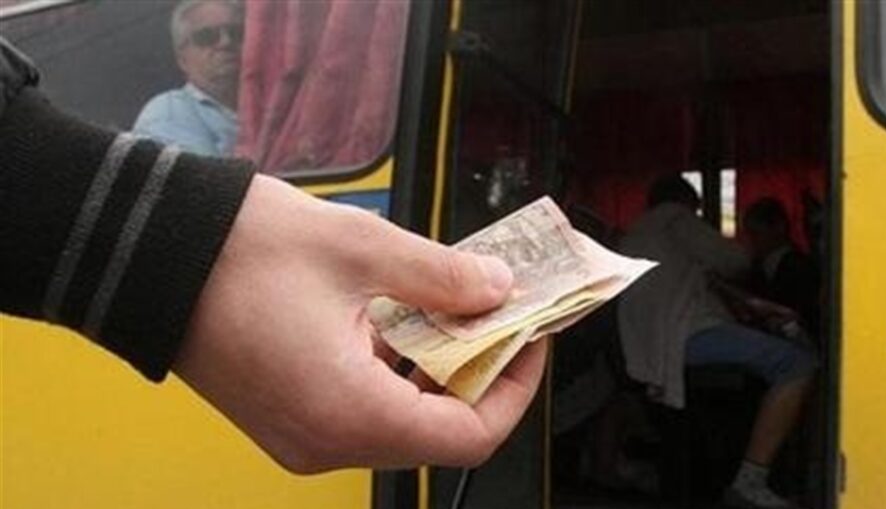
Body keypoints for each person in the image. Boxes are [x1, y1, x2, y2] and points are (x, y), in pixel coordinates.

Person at [1, 37, 546, 472]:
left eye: (233, 34)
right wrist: (191, 244)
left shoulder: (256, 113)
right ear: (180, 56)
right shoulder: (172, 112)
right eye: (206, 37)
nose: (225, 45)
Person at [617, 174, 815, 509]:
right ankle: (752, 480)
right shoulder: (676, 219)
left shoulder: (634, 234)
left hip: (645, 347)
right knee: (797, 364)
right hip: (685, 336)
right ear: (686, 204)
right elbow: (735, 261)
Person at [132, 0, 242, 157]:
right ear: (182, 59)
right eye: (207, 36)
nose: (226, 42)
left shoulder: (271, 105)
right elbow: (208, 172)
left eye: (237, 33)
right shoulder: (168, 112)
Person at [742, 197, 821, 337]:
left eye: (756, 233)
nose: (750, 241)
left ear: (779, 228)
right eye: (748, 234)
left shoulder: (800, 268)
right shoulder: (755, 268)